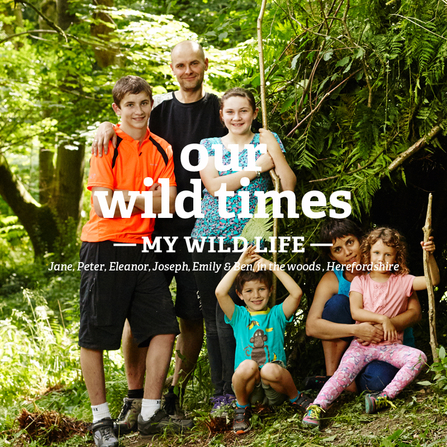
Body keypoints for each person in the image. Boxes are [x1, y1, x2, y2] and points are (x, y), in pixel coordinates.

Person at [91, 41, 225, 428]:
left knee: (190, 316)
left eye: (194, 64)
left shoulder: (217, 110)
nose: (188, 71)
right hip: (150, 230)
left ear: (204, 65)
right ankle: (135, 398)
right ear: (172, 69)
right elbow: (125, 127)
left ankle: (170, 395)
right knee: (139, 317)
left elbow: (242, 131)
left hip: (202, 228)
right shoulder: (159, 109)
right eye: (180, 65)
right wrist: (104, 126)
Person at [79, 75, 191, 446]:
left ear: (151, 105)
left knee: (163, 327)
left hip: (144, 246)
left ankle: (150, 412)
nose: (138, 111)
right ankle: (100, 420)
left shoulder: (162, 148)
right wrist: (145, 197)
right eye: (130, 105)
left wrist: (124, 195)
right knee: (95, 336)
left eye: (143, 103)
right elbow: (101, 205)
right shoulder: (106, 143)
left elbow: (170, 203)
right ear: (117, 109)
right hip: (105, 245)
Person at [190, 87, 298, 412]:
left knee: (245, 313)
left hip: (250, 241)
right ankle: (223, 392)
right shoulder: (209, 146)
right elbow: (214, 186)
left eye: (244, 111)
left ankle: (252, 388)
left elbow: (289, 185)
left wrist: (272, 153)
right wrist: (256, 168)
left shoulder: (266, 141)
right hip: (208, 238)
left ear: (253, 113)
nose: (237, 118)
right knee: (214, 318)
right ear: (221, 115)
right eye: (230, 112)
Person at [303, 227, 440, 428]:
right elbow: (355, 312)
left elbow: (432, 280)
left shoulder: (403, 280)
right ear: (368, 253)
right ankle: (317, 407)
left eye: (387, 255)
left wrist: (429, 255)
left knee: (419, 357)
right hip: (361, 345)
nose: (381, 259)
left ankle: (385, 396)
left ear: (396, 257)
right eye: (376, 253)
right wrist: (383, 319)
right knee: (341, 374)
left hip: (390, 347)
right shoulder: (360, 280)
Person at [305, 219, 422, 393]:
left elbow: (415, 313)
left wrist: (382, 327)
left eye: (350, 242)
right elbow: (312, 327)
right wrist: (357, 330)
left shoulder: (385, 265)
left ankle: (348, 383)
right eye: (338, 249)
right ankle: (333, 375)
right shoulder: (332, 279)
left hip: (390, 345)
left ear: (362, 241)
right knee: (338, 303)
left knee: (377, 381)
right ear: (332, 256)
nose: (347, 252)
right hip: (356, 349)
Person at [215, 246, 309, 434]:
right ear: (240, 295)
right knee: (247, 366)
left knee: (269, 368)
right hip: (250, 389)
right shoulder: (239, 316)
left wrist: (272, 266)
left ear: (270, 290)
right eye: (248, 291)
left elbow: (296, 293)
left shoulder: (277, 315)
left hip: (274, 385)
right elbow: (220, 293)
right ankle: (242, 407)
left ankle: (296, 397)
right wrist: (239, 264)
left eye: (261, 289)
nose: (256, 295)